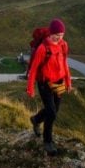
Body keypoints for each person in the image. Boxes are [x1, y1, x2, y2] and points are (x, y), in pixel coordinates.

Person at [27, 18, 72, 155]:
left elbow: (65, 64)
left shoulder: (63, 45)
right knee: (51, 112)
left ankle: (36, 119)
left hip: (59, 83)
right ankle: (47, 142)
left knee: (54, 110)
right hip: (45, 84)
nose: (59, 38)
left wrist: (68, 81)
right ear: (50, 33)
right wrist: (30, 87)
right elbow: (34, 69)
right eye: (57, 35)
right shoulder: (43, 48)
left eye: (61, 35)